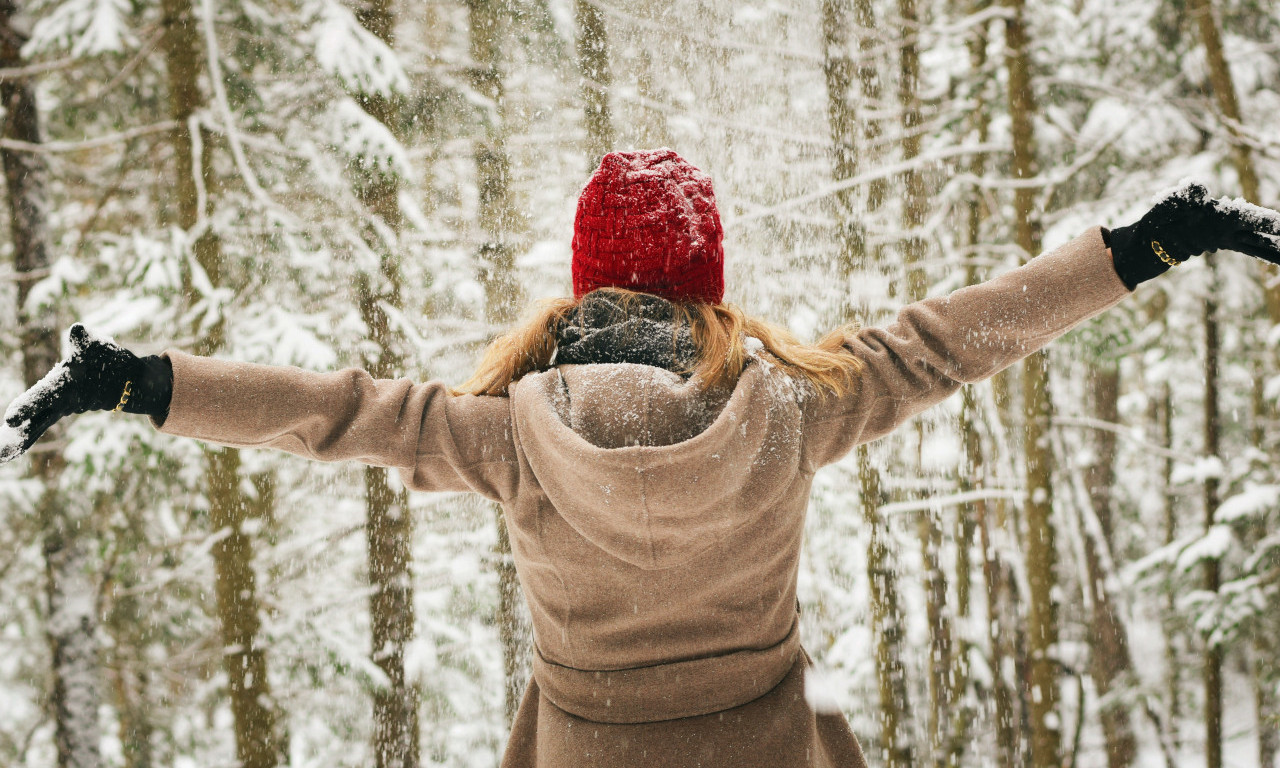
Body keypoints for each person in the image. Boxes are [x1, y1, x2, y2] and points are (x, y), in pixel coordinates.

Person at [3, 149, 1279, 767]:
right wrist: (1147, 242)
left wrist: (139, 382)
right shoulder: (793, 407)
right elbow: (955, 339)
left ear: (582, 283)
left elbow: (336, 412)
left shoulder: (508, 435)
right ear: (707, 285)